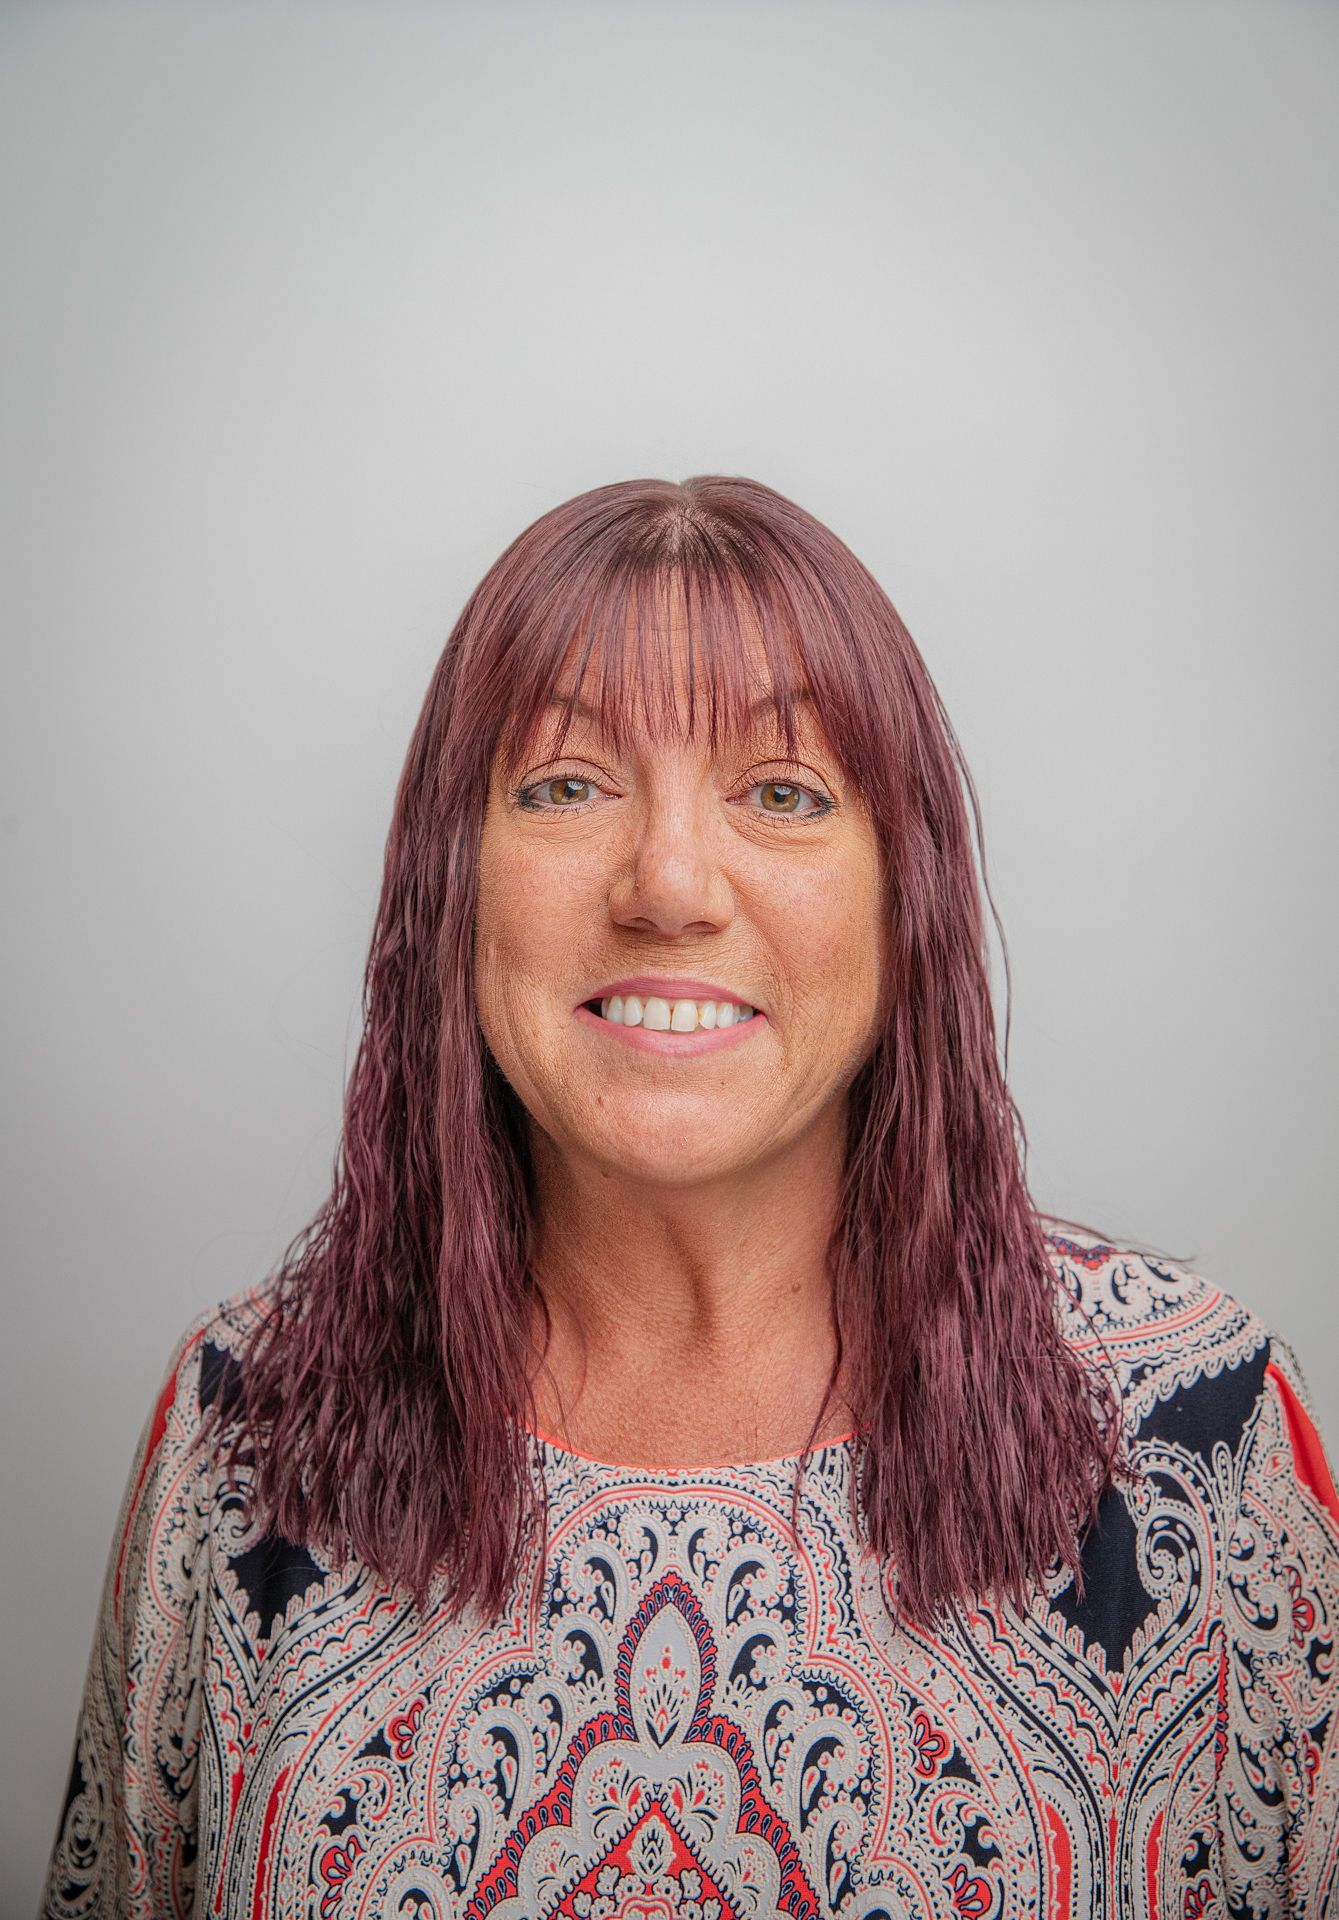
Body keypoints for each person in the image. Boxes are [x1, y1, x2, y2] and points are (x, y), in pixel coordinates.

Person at [40, 475, 1339, 1918]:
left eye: (783, 793)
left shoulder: (1199, 1441)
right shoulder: (243, 1434)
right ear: (446, 884)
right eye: (565, 784)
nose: (668, 884)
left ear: (909, 899)